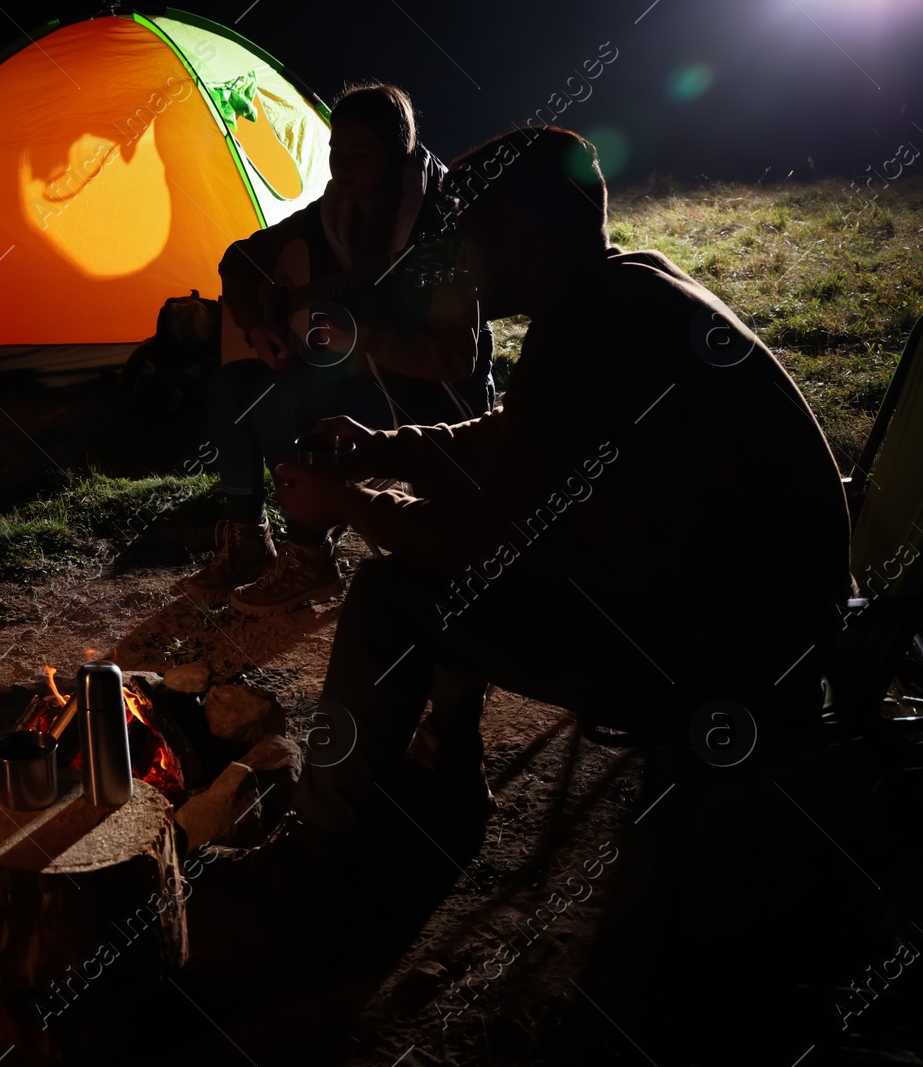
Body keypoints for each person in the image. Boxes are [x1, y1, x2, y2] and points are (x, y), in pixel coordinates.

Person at [232, 126, 853, 872]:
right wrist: (379, 447)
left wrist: (348, 504)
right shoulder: (625, 288)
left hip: (730, 654)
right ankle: (446, 768)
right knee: (444, 567)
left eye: (468, 232)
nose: (455, 257)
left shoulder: (592, 331)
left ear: (517, 233)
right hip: (772, 617)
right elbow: (513, 442)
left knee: (393, 593)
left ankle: (318, 842)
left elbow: (488, 541)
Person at [185, 82, 494, 616]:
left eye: (359, 154)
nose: (340, 166)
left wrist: (366, 339)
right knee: (230, 386)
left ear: (397, 157)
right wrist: (259, 325)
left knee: (288, 399)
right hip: (352, 375)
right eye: (334, 151)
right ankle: (249, 539)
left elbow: (454, 361)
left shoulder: (437, 233)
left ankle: (309, 556)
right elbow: (239, 261)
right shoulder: (332, 216)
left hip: (424, 397)